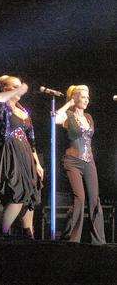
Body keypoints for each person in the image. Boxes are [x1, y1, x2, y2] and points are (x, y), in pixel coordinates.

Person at [0, 75, 44, 238]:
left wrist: (37, 163)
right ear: (5, 89)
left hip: (26, 154)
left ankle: (29, 235)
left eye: (19, 86)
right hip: (11, 154)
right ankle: (1, 234)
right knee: (17, 193)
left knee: (30, 195)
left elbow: (31, 138)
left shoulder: (24, 111)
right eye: (14, 86)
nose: (19, 89)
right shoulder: (0, 107)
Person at [55, 85, 105, 244]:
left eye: (87, 97)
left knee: (94, 198)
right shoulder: (68, 115)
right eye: (83, 96)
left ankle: (98, 240)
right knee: (80, 198)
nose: (86, 100)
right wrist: (69, 103)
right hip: (72, 161)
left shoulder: (89, 117)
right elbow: (56, 118)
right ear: (75, 98)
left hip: (89, 161)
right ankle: (72, 238)